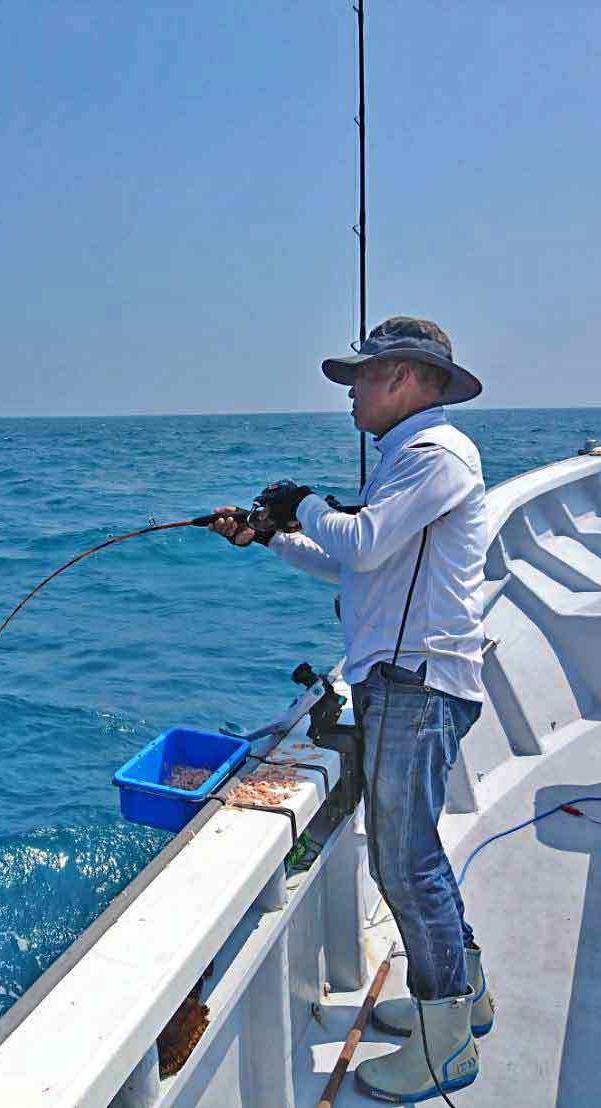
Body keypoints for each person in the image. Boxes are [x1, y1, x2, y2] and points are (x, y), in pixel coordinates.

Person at [211, 316, 493, 1102]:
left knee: (403, 861)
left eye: (359, 379)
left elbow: (360, 543)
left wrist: (299, 502)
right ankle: (464, 1000)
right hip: (401, 681)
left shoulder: (434, 456)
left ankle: (446, 1048)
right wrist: (268, 536)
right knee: (413, 854)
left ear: (402, 378)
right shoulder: (409, 459)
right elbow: (358, 569)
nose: (348, 396)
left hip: (417, 683)